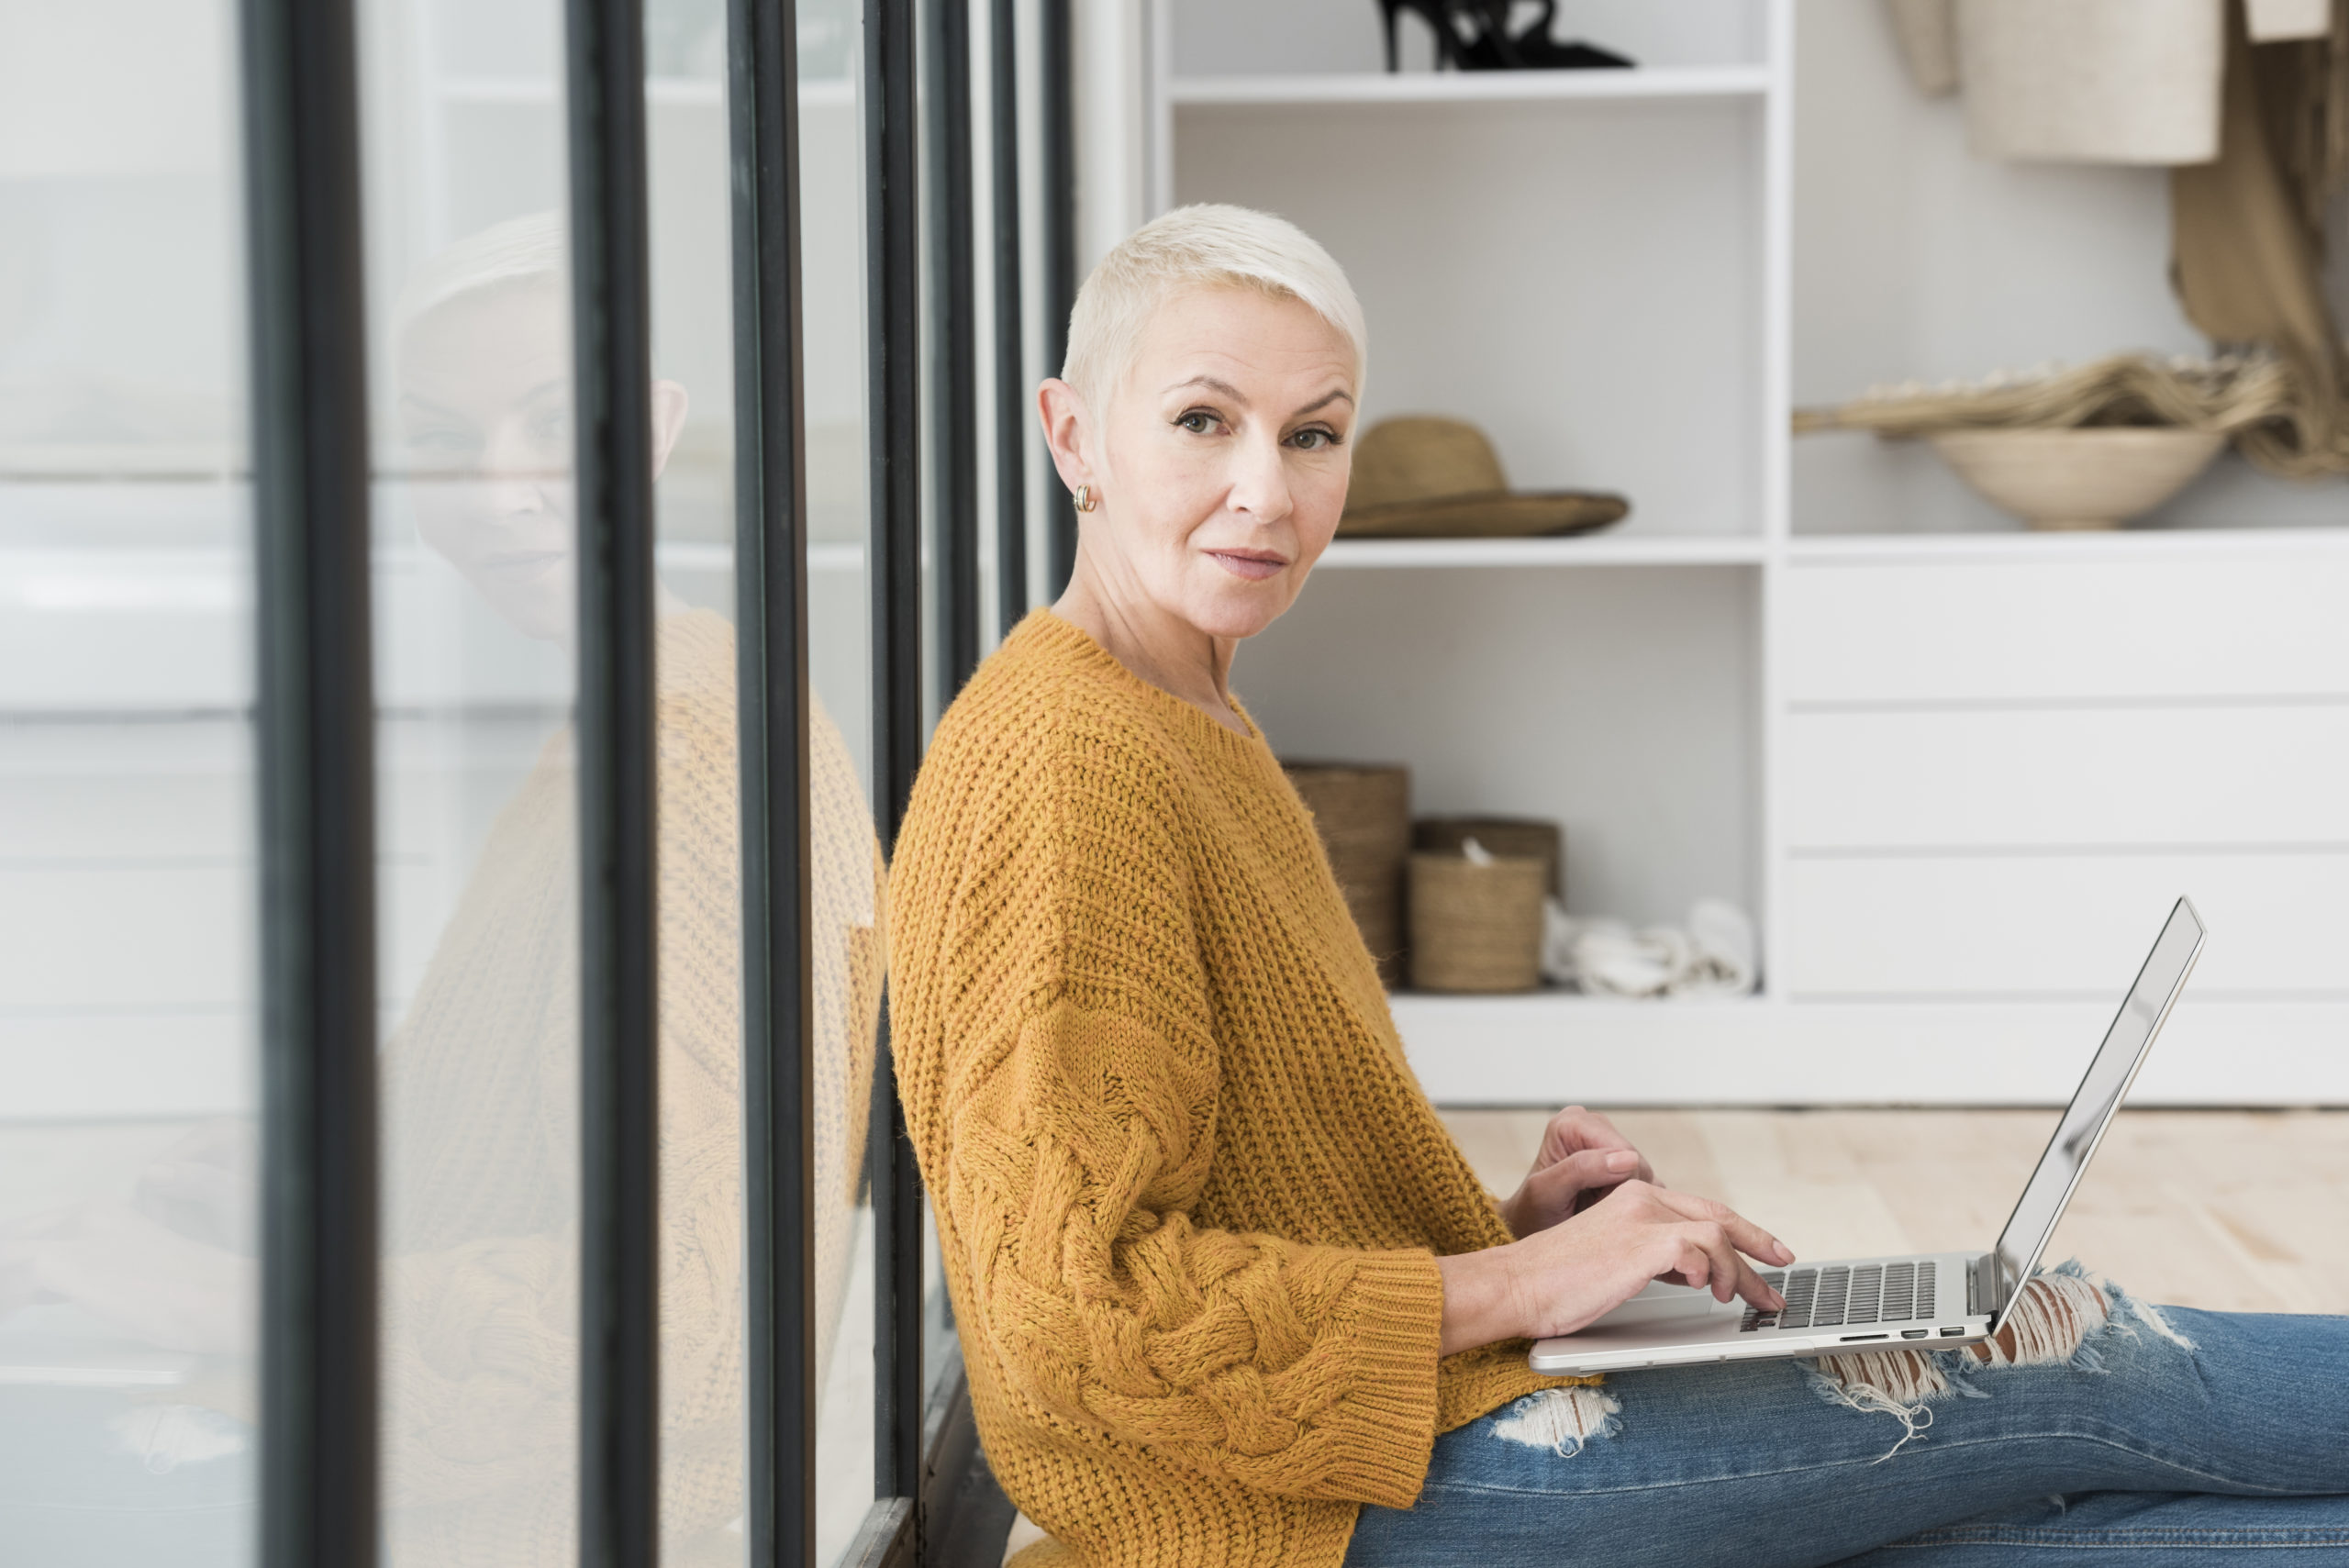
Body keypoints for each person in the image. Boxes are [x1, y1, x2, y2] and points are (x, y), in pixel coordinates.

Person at [884, 204, 2349, 1568]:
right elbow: (1077, 1318)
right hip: (1311, 1502)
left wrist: (1521, 1230)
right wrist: (1525, 1290)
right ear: (1074, 436)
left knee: (2009, 1509)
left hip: (1366, 1443)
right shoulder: (1067, 773)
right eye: (1202, 419)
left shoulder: (1177, 711)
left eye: (1314, 433)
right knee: (2061, 1347)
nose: (1266, 489)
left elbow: (1228, 1197)